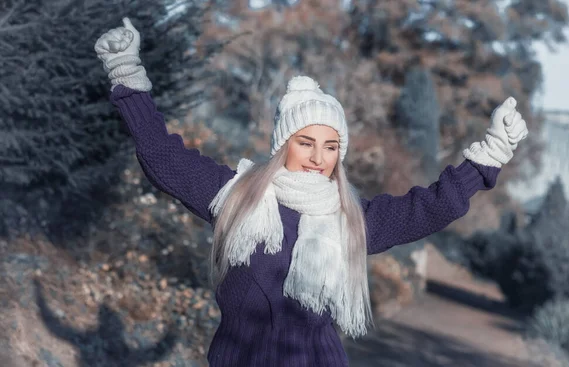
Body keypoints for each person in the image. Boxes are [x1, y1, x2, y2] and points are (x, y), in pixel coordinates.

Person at [95, 18, 528, 367]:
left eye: (331, 146)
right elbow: (163, 158)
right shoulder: (237, 196)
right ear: (284, 144)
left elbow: (430, 208)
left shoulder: (349, 218)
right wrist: (126, 75)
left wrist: (490, 154)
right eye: (306, 142)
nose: (319, 157)